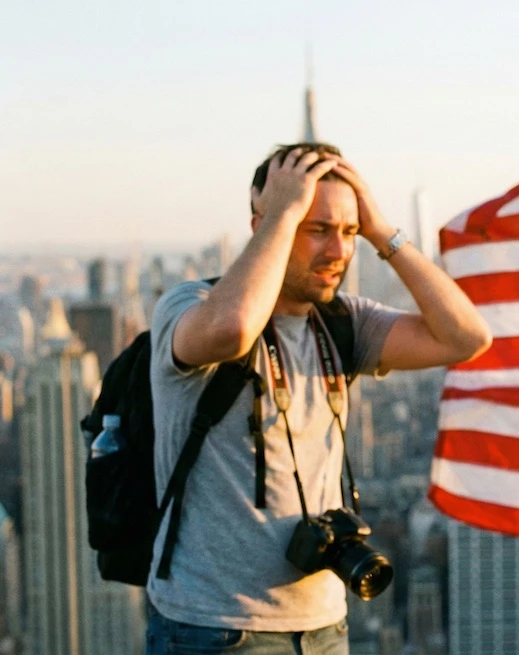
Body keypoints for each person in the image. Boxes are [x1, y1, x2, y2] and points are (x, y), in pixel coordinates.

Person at [144, 143, 491, 654]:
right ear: (264, 223)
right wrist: (283, 212)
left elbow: (466, 337)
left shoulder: (342, 323)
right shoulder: (191, 306)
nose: (338, 251)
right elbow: (232, 330)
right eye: (317, 229)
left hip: (324, 626)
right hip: (215, 628)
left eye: (348, 232)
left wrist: (380, 230)